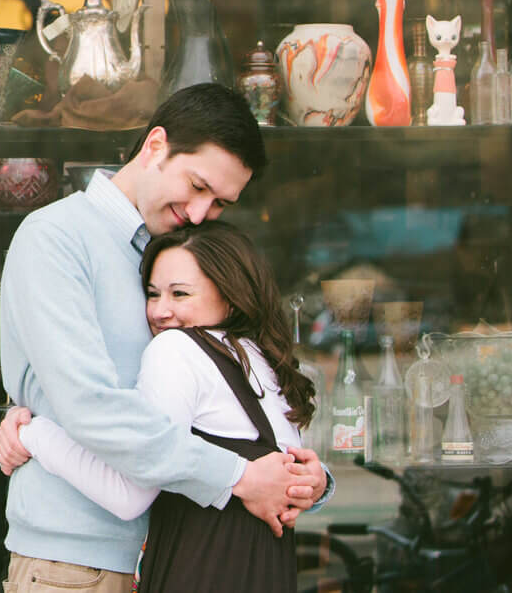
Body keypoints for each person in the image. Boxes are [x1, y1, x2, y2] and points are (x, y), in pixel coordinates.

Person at [0, 83, 328, 593]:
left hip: (175, 559)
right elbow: (90, 404)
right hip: (78, 564)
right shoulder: (56, 238)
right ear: (154, 147)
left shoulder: (180, 254)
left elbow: (237, 385)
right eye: (197, 186)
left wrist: (301, 478)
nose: (199, 213)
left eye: (219, 203)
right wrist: (238, 478)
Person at [17, 221, 316, 592]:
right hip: (267, 569)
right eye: (153, 294)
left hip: (202, 569)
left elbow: (128, 494)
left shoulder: (176, 350)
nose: (160, 311)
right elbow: (299, 481)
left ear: (231, 294)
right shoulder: (263, 359)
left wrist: (33, 434)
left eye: (180, 294)